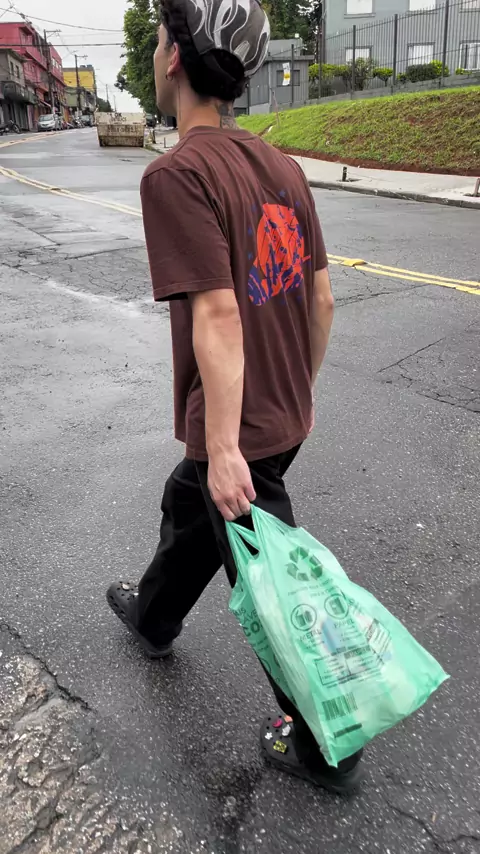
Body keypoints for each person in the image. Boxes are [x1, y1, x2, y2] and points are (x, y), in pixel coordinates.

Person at [107, 0, 363, 793]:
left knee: (269, 579)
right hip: (283, 411)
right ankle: (153, 615)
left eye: (159, 39)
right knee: (188, 506)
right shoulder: (282, 167)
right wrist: (297, 396)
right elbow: (322, 300)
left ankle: (328, 745)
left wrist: (225, 447)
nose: (157, 52)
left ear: (174, 59)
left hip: (239, 430)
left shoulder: (177, 174)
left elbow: (217, 315)